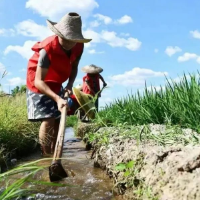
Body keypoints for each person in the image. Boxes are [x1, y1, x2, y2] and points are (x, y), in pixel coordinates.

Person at [26, 12, 92, 157]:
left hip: (57, 81)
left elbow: (74, 67)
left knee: (57, 118)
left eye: (73, 40)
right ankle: (46, 154)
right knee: (48, 117)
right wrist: (57, 98)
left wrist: (69, 85)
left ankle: (57, 153)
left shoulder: (79, 47)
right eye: (66, 39)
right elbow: (39, 81)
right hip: (38, 82)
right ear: (59, 35)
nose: (69, 43)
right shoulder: (47, 49)